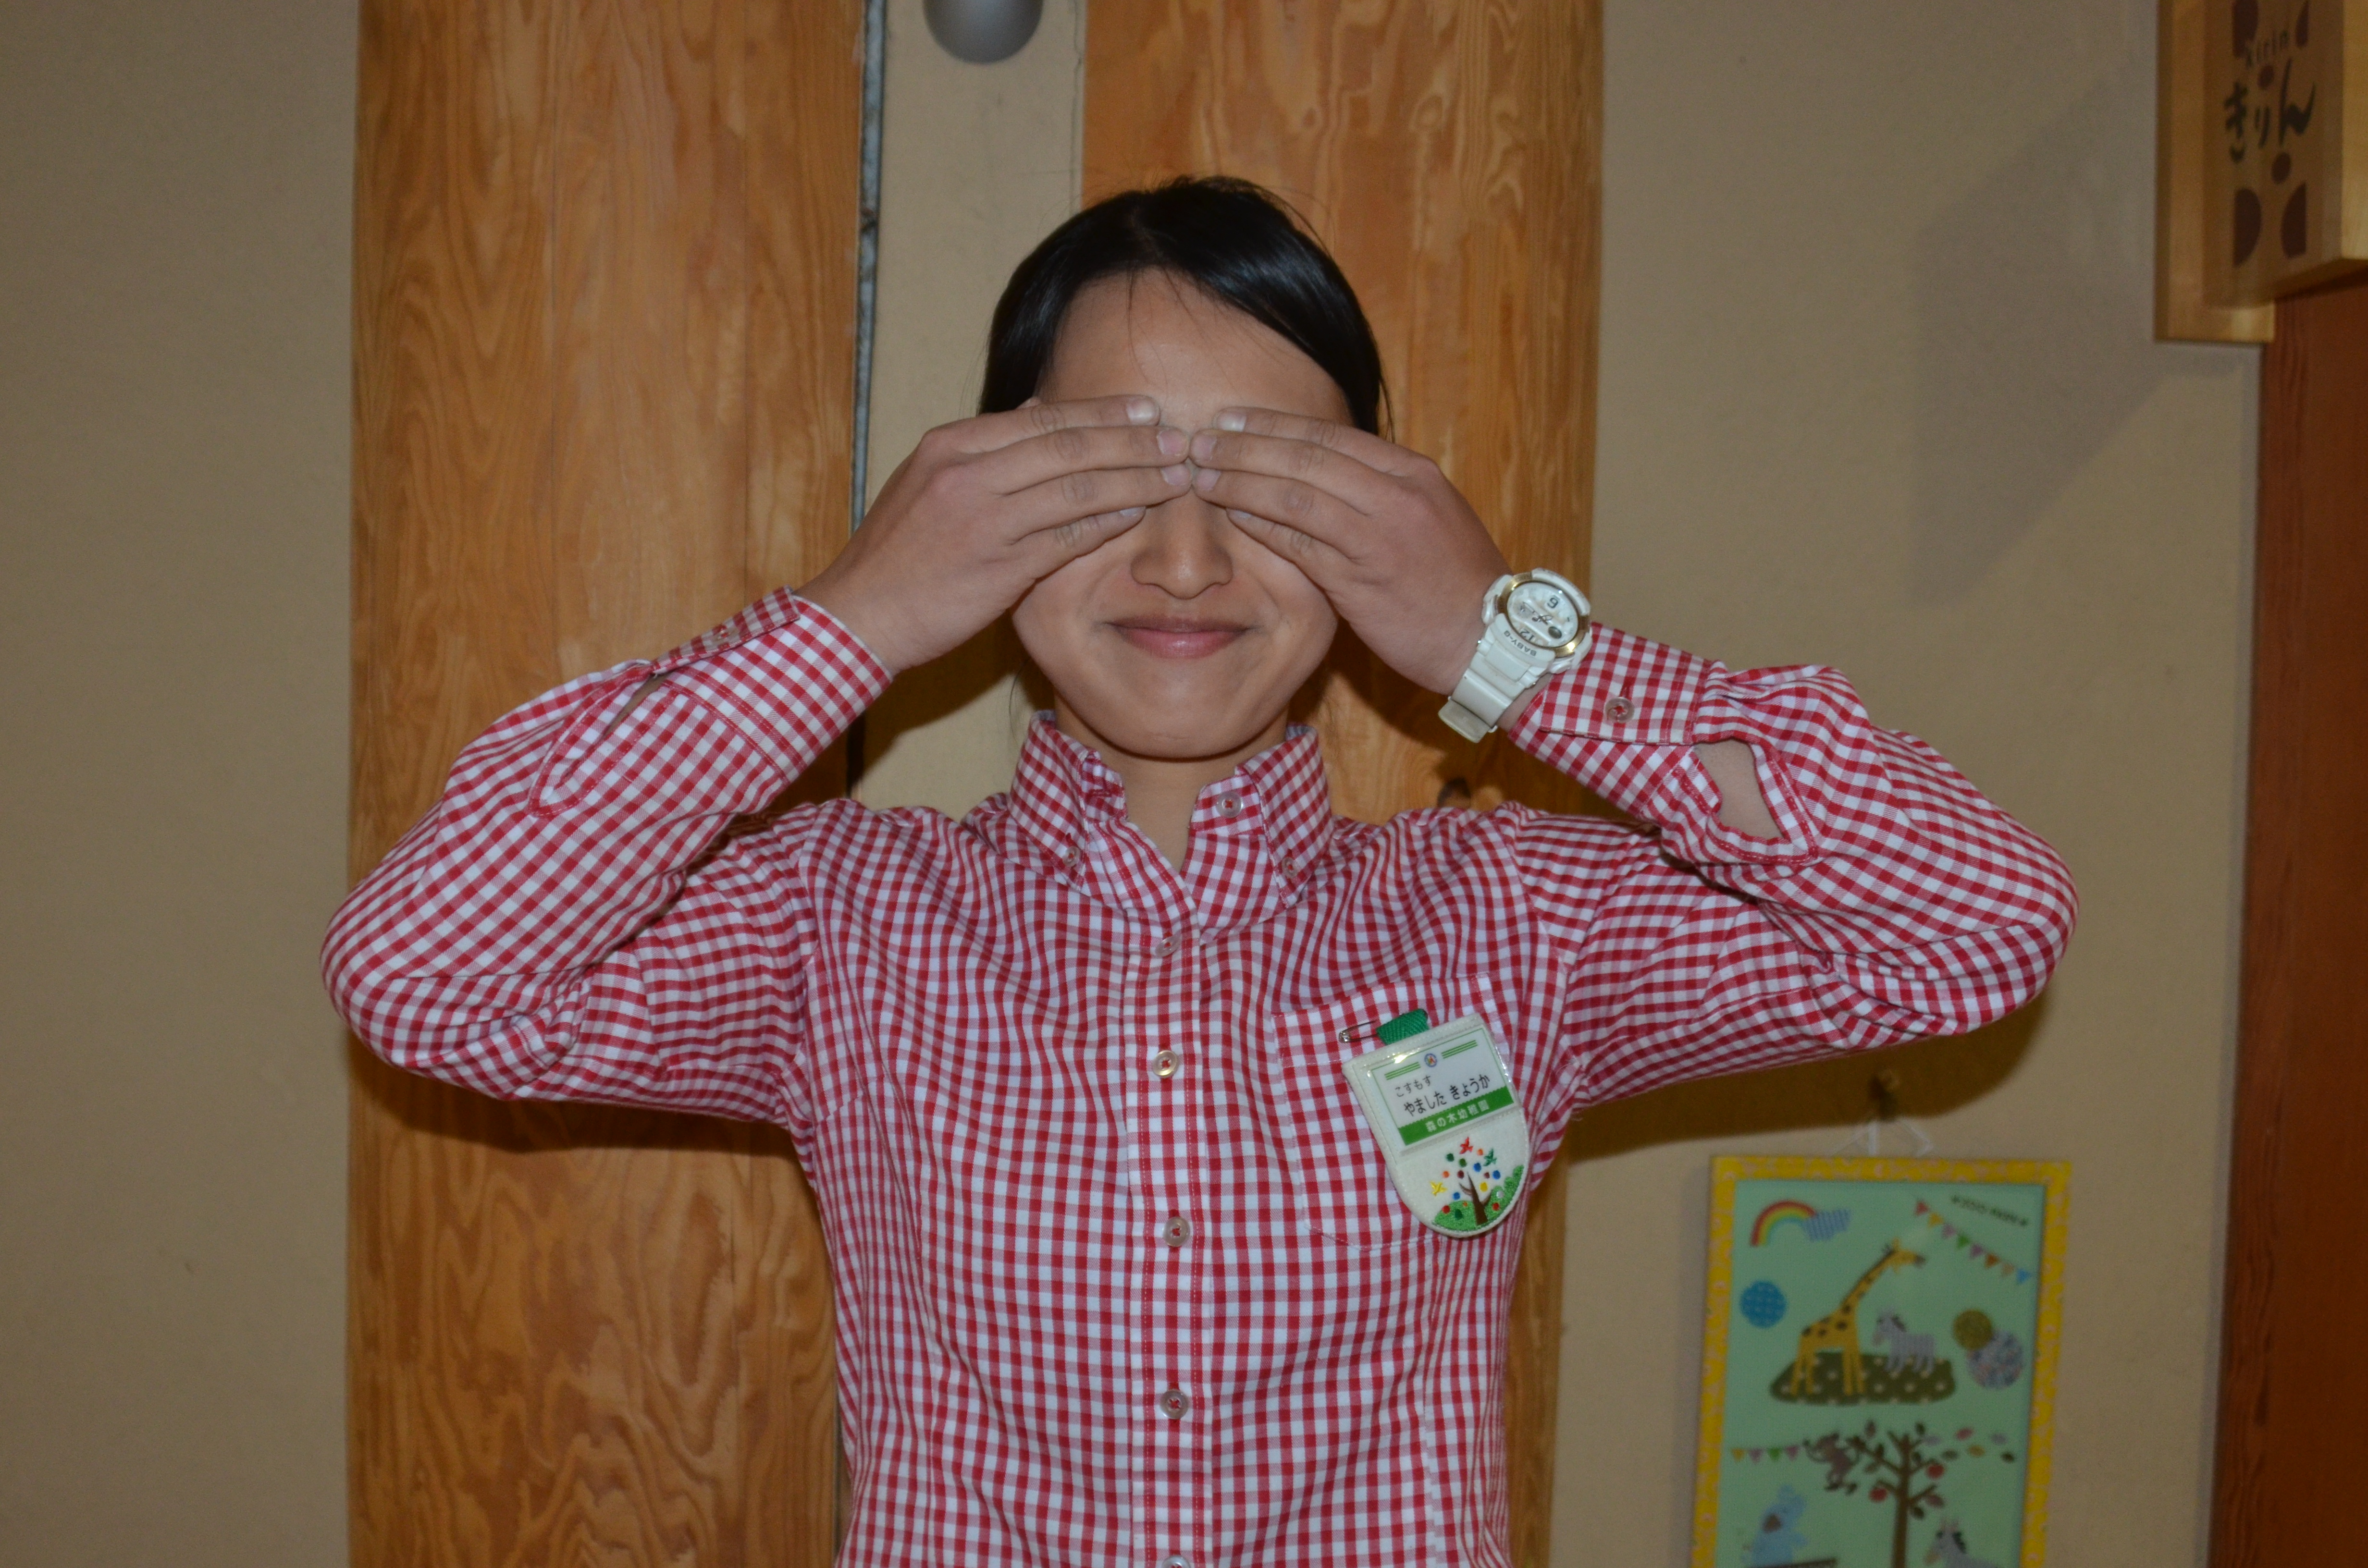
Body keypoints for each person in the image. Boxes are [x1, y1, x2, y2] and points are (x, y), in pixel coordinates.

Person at [325, 177, 2074, 1566]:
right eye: (1098, 480)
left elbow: (1976, 929)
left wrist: (1516, 647)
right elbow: (428, 977)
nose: (1183, 558)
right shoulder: (836, 923)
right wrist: (853, 620)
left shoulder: (1518, 920)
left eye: (1276, 488)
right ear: (977, 516)